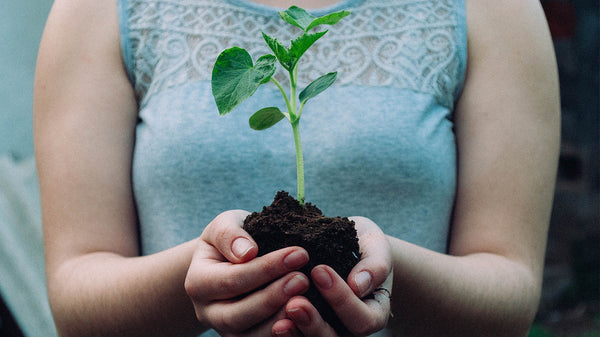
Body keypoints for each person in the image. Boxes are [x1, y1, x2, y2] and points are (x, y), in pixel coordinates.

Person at [33, 0, 560, 336]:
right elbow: (76, 298)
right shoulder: (97, 10)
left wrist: (388, 266)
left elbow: (509, 292)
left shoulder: (496, 10)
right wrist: (203, 276)